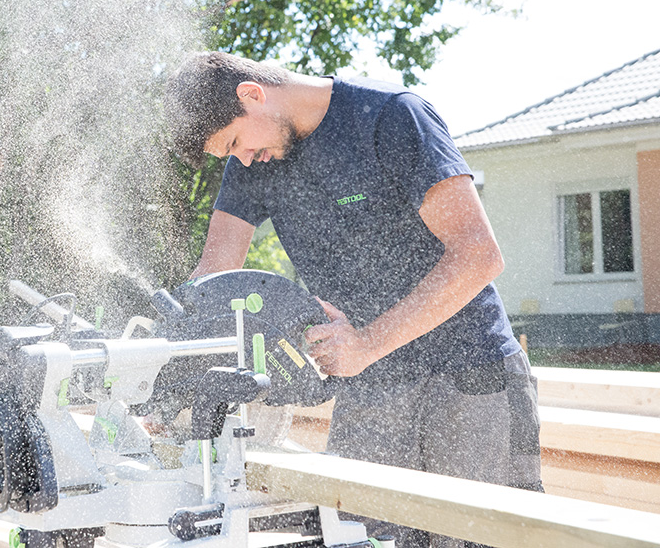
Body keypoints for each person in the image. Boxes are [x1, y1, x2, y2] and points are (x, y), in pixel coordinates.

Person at [165, 51, 542, 548]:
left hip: (469, 379)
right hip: (371, 388)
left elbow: (478, 255)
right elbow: (215, 275)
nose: (240, 158)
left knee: (482, 539)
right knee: (358, 537)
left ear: (252, 94)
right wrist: (164, 362)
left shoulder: (389, 117)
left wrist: (367, 343)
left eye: (235, 142)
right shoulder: (256, 159)